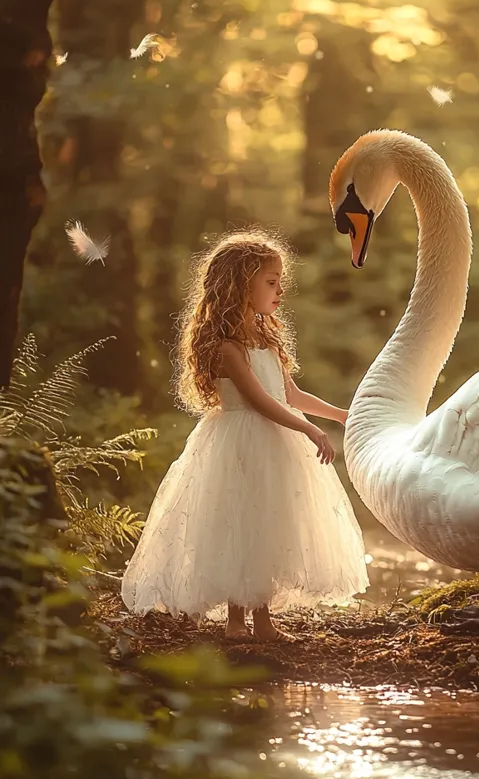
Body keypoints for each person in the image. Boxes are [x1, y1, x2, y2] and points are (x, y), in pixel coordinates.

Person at [121, 227, 369, 640]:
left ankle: (262, 620)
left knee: (268, 525)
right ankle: (238, 622)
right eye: (271, 283)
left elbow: (289, 393)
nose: (280, 292)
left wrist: (337, 414)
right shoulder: (226, 347)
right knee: (241, 522)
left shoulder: (266, 337)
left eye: (280, 283)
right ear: (240, 285)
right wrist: (307, 429)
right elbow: (258, 400)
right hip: (239, 441)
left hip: (274, 440)